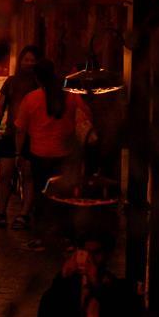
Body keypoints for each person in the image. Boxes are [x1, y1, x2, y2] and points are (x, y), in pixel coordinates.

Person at [14, 60, 94, 250]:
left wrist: (19, 153)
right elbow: (87, 116)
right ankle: (66, 239)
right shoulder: (70, 97)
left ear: (37, 78)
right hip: (64, 155)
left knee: (42, 198)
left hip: (39, 154)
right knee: (63, 199)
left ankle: (42, 239)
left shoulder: (31, 99)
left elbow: (20, 129)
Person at [0, 45, 43, 230]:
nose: (29, 63)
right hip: (11, 134)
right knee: (5, 174)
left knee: (27, 175)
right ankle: (1, 212)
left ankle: (24, 214)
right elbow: (0, 107)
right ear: (20, 61)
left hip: (32, 136)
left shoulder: (39, 83)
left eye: (33, 60)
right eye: (26, 59)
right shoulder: (11, 82)